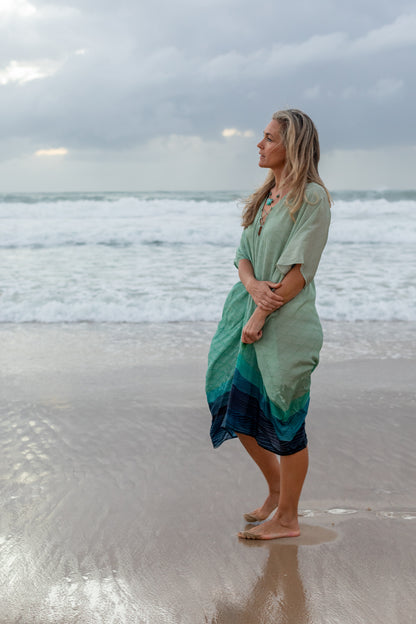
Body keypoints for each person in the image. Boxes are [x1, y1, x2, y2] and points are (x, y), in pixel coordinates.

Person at [205, 109, 331, 540]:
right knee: (231, 401)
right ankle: (276, 490)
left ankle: (289, 519)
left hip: (286, 321)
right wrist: (252, 285)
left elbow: (299, 270)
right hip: (245, 311)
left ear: (291, 146)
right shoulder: (265, 196)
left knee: (285, 416)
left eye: (269, 138)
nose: (260, 145)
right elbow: (242, 254)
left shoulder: (311, 198)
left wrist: (262, 310)